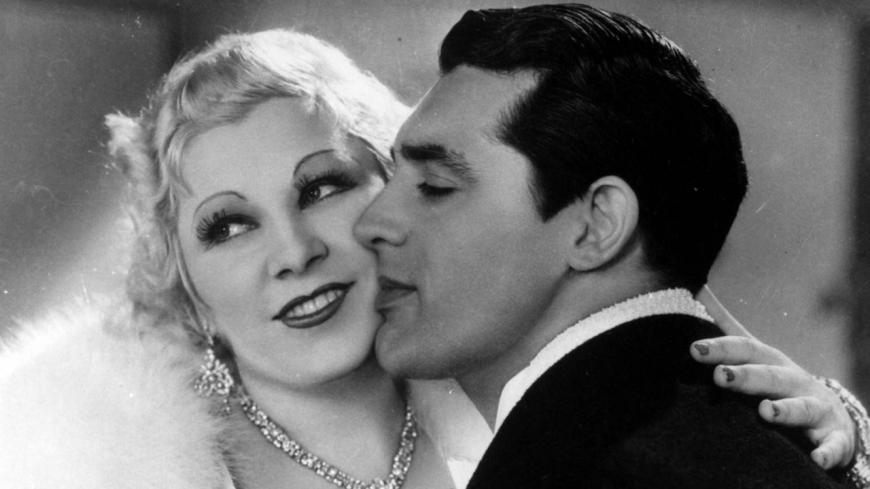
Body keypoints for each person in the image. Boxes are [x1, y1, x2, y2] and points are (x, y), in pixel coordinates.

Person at [0, 24, 864, 489]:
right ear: (184, 284)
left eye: (322, 186)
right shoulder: (97, 463)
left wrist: (840, 433)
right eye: (228, 226)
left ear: (392, 198)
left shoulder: (529, 372)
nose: (295, 252)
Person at [352, 4, 869, 488]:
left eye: (436, 186)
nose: (371, 223)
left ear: (598, 224)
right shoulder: (768, 442)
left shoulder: (577, 469)